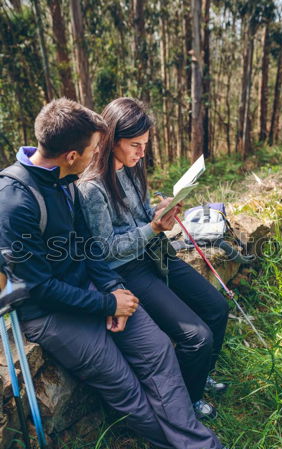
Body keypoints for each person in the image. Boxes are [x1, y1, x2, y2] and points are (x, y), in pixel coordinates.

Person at [0, 98, 249, 449]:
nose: (96, 157)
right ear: (70, 154)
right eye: (92, 150)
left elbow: (91, 249)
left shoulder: (65, 180)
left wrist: (114, 291)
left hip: (95, 290)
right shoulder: (15, 201)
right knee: (126, 387)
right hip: (50, 314)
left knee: (160, 351)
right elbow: (39, 288)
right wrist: (104, 304)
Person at [78, 97, 229, 419]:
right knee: (196, 337)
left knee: (217, 308)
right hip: (128, 269)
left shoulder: (132, 170)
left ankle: (199, 376)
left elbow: (141, 214)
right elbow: (104, 249)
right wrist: (152, 227)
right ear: (110, 139)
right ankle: (187, 403)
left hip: (155, 253)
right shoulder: (92, 188)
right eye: (135, 145)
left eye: (145, 144)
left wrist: (161, 211)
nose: (142, 152)